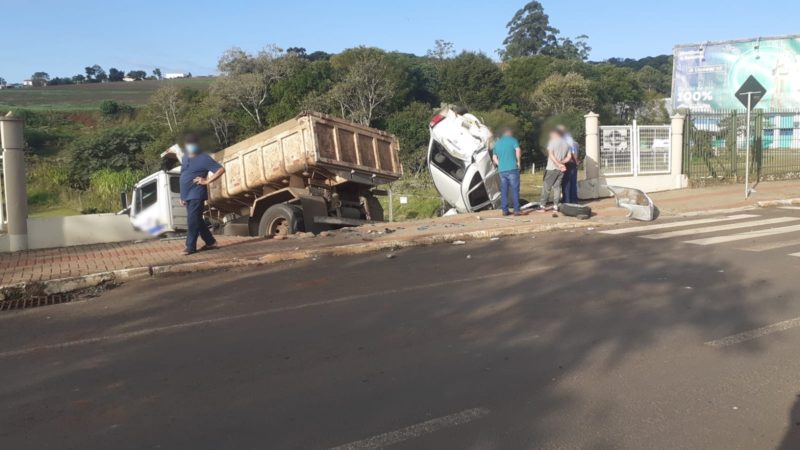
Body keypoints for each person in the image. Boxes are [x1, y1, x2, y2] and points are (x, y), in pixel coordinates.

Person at [179, 134, 226, 255]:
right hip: (187, 195)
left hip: (197, 194)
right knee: (197, 220)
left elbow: (220, 169)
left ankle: (190, 246)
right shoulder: (185, 157)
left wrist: (207, 181)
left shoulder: (203, 158)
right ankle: (210, 242)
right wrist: (182, 196)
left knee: (192, 220)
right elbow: (183, 175)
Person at [538, 128, 571, 213]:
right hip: (562, 169)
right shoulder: (567, 143)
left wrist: (557, 163)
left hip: (552, 168)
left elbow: (551, 154)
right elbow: (569, 157)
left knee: (547, 187)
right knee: (557, 187)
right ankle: (556, 206)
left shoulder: (552, 142)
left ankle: (542, 206)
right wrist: (562, 162)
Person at [492, 127, 523, 216]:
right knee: (515, 189)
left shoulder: (497, 143)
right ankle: (516, 210)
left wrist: (500, 164)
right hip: (512, 168)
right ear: (509, 133)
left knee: (504, 190)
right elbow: (518, 150)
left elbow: (494, 157)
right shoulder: (513, 140)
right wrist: (518, 162)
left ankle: (505, 210)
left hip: (502, 170)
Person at [558, 125, 580, 204]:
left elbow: (573, 154)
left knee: (566, 183)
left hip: (567, 163)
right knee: (573, 182)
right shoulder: (576, 143)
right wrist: (576, 162)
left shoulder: (564, 143)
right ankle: (574, 200)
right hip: (573, 165)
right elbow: (576, 153)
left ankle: (566, 200)